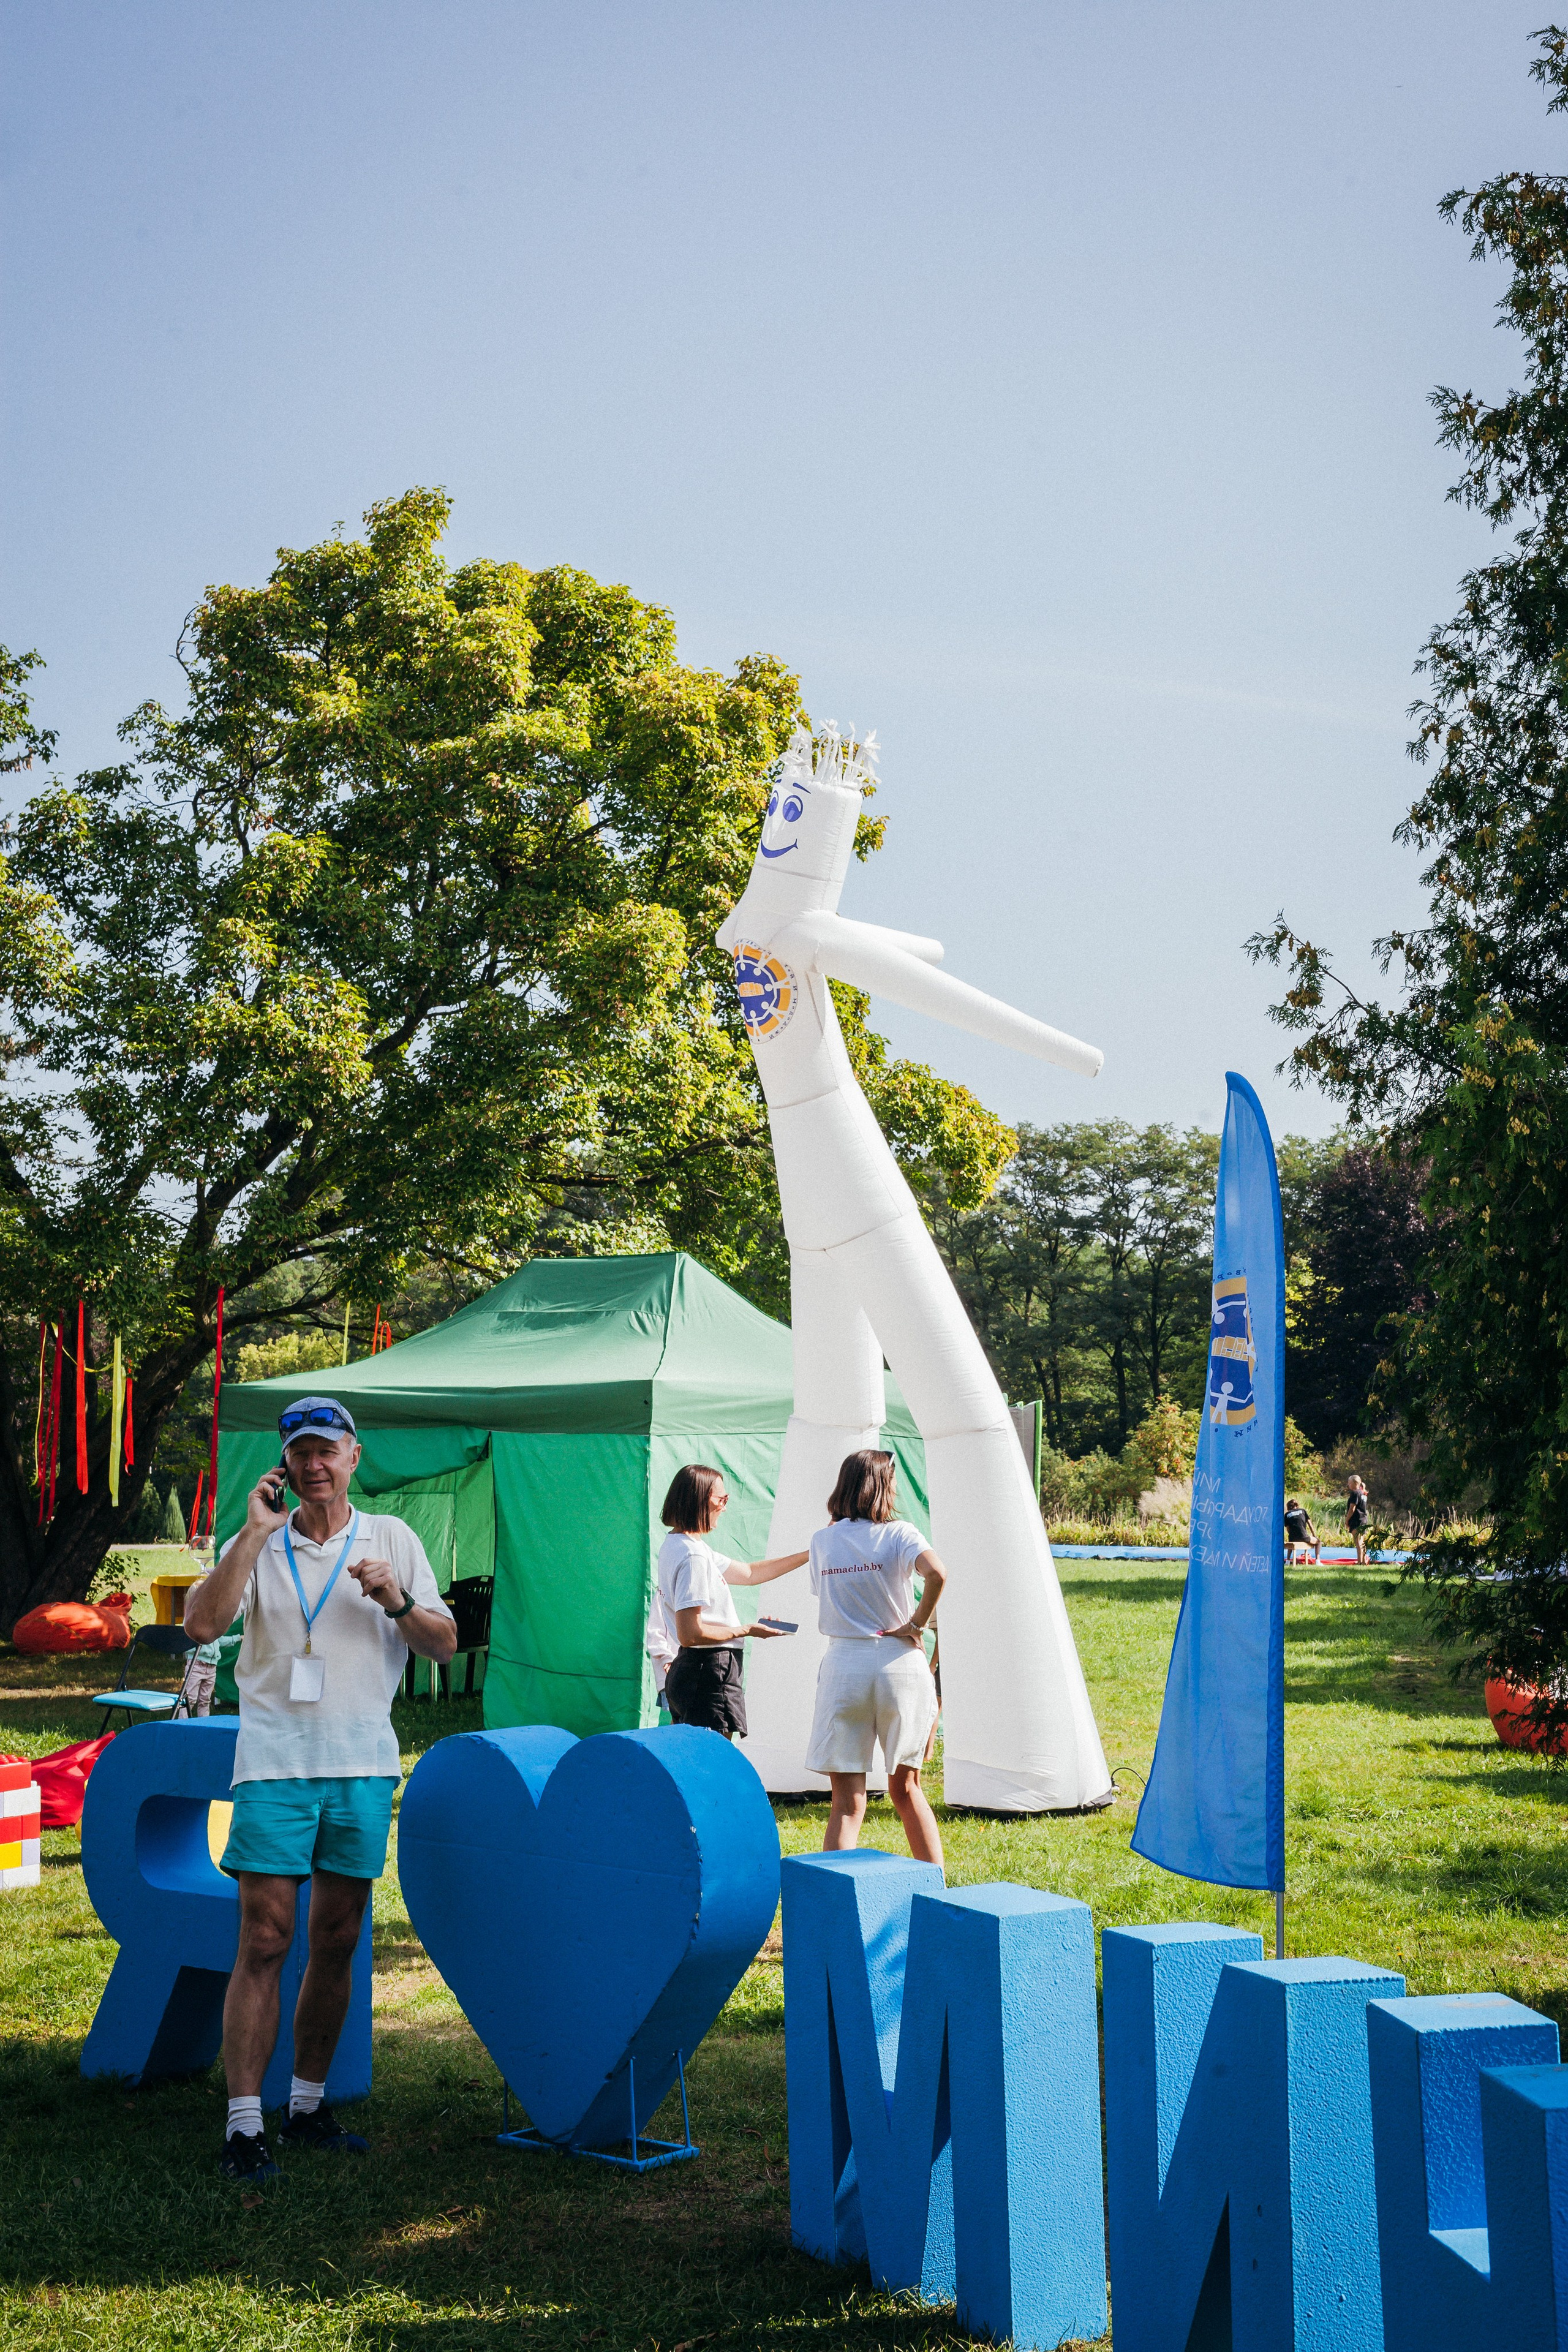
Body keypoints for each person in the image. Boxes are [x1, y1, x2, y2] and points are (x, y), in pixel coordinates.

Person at [183, 1396, 456, 2184]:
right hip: (272, 1761)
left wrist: (396, 1599)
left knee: (336, 1940)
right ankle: (243, 2125)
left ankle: (306, 2108)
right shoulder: (256, 1540)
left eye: (326, 1451)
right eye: (300, 1452)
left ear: (354, 1457)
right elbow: (202, 1627)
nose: (313, 1465)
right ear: (285, 1460)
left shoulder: (393, 1540)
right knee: (265, 1939)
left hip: (362, 1763)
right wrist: (252, 1538)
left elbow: (443, 1646)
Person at [804, 1448, 946, 1868]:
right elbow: (937, 1573)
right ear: (883, 1485)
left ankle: (834, 1908)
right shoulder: (901, 1533)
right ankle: (935, 1895)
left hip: (844, 1666)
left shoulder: (822, 1540)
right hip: (899, 1664)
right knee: (907, 1790)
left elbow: (824, 1594)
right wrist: (917, 1623)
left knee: (846, 1803)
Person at [656, 1464, 807, 1739]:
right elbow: (691, 1634)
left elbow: (750, 1573)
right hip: (708, 1672)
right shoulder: (694, 1557)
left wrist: (813, 1553)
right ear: (700, 1499)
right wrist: (748, 1630)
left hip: (692, 1670)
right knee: (713, 1765)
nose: (725, 1507)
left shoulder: (680, 1545)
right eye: (721, 1499)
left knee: (694, 1762)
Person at [1283, 1497, 1320, 1564]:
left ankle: (1288, 1561)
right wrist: (1314, 1536)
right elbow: (1310, 1526)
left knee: (1291, 1540)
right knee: (1318, 1542)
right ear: (1297, 1506)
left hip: (1292, 1538)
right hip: (1303, 1537)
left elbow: (1288, 1529)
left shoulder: (1287, 1515)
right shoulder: (1303, 1511)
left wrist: (1293, 1536)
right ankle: (1318, 1561)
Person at [1346, 1474, 1371, 1564]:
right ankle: (1364, 1562)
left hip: (1357, 1520)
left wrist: (1347, 1520)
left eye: (1349, 1483)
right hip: (1363, 1520)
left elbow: (1352, 1509)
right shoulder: (1363, 1494)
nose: (1348, 1485)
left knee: (1358, 1542)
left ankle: (1360, 1562)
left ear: (1354, 1483)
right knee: (1362, 1542)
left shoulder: (1355, 1493)